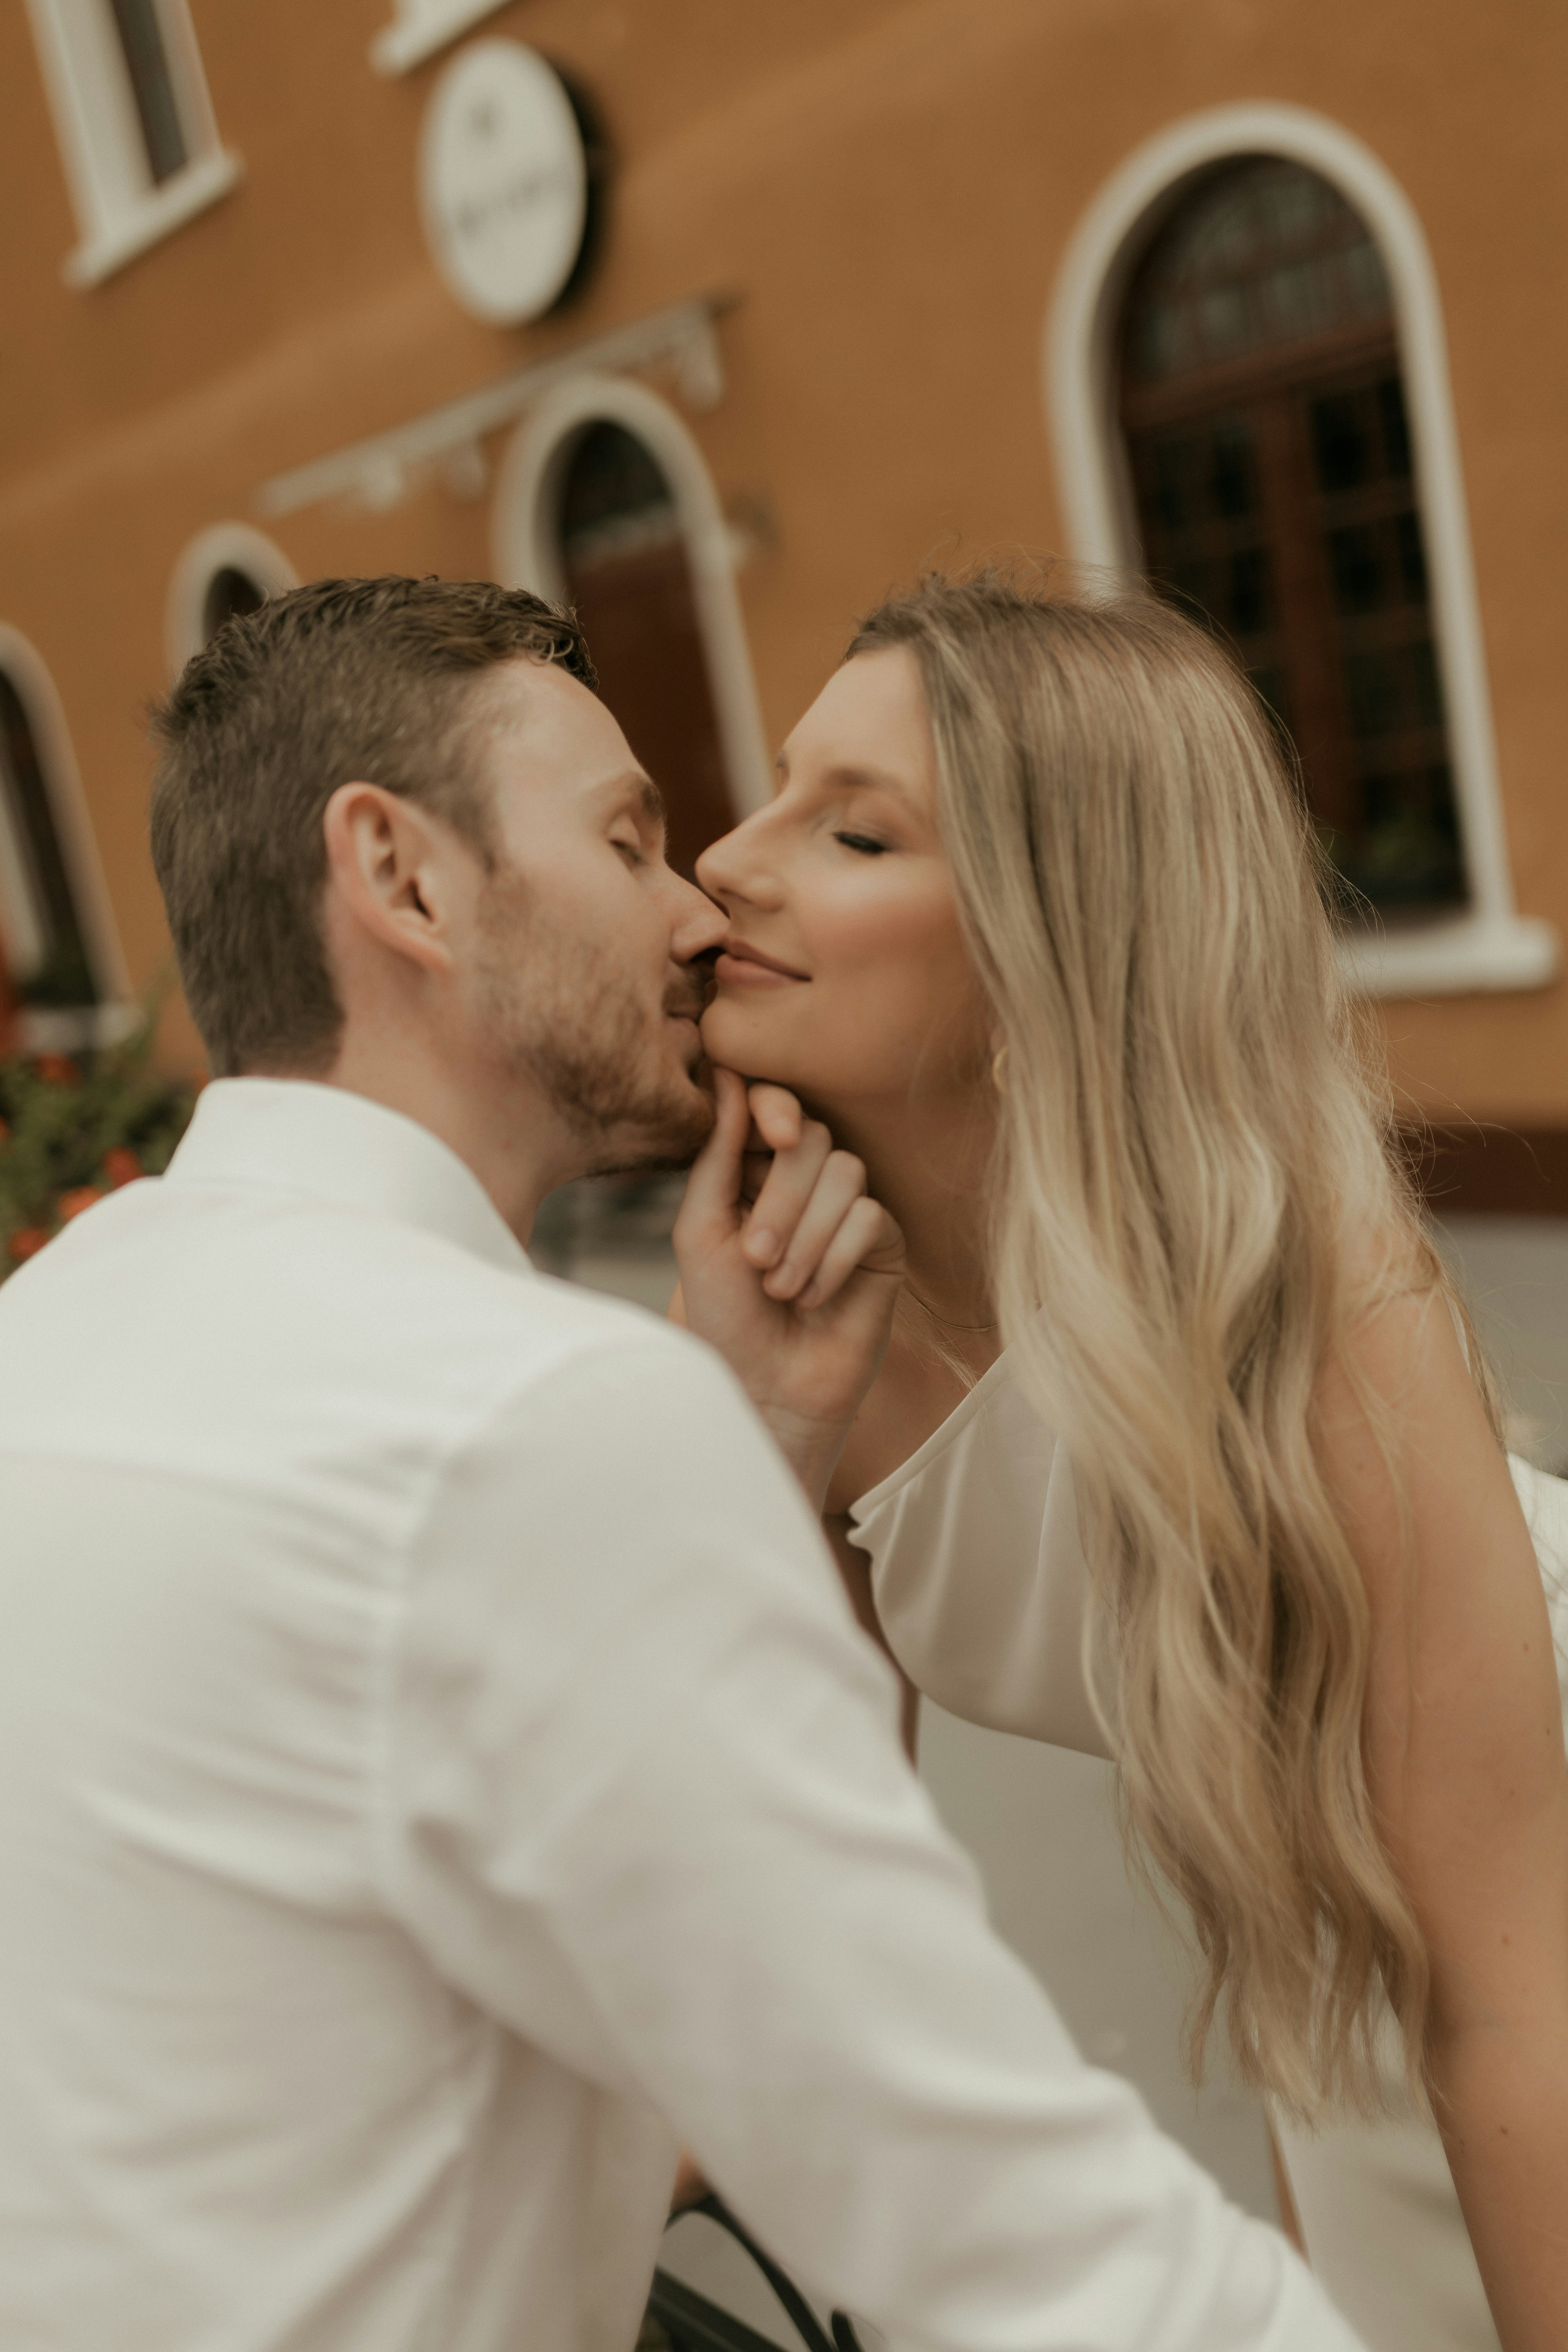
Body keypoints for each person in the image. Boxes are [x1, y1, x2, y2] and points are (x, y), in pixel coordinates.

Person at [0, 577, 1362, 2352]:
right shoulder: (522, 1424)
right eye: (629, 840)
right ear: (402, 877)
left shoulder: (56, 1324)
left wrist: (757, 1446)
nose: (697, 899)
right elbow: (1007, 2226)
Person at [690, 571, 1568, 2352]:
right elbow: (812, 1844)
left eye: (851, 835)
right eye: (774, 789)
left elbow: (1508, 1978)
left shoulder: (1307, 1293)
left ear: (1050, 937)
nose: (726, 857)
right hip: (1334, 1934)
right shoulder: (802, 1315)